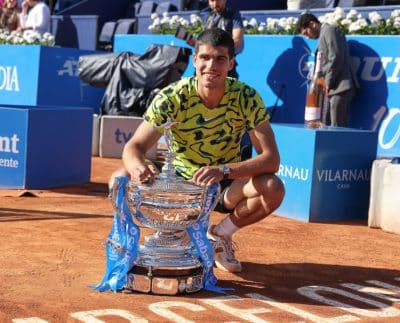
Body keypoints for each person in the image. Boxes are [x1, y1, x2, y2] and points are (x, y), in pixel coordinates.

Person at [110, 28, 285, 273]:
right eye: (205, 57)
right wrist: (139, 166)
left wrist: (222, 171)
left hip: (224, 186)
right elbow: (134, 147)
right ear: (195, 60)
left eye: (220, 59)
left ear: (230, 63)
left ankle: (221, 235)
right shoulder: (172, 97)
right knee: (120, 177)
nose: (211, 65)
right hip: (178, 188)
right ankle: (142, 241)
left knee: (272, 187)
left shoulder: (247, 98)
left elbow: (271, 159)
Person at [296, 13, 358, 127]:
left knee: (337, 128)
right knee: (328, 126)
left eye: (306, 33)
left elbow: (335, 57)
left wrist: (326, 83)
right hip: (332, 89)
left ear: (312, 24)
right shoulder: (325, 34)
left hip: (340, 89)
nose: (308, 37)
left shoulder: (329, 30)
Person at [186, 0, 244, 79]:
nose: (215, 4)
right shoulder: (209, 17)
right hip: (205, 67)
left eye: (218, 0)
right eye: (212, 0)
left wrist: (218, 49)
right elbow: (205, 43)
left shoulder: (234, 15)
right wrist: (195, 43)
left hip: (225, 67)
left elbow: (237, 41)